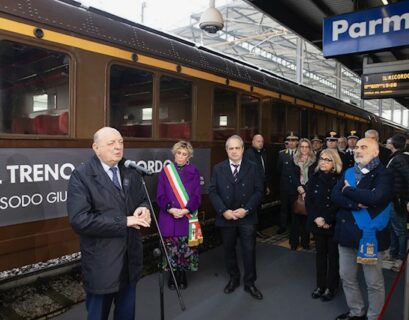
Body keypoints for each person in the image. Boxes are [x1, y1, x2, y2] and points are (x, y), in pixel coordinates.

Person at [67, 127, 151, 320]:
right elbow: (80, 220)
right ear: (96, 148)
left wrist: (143, 208)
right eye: (111, 143)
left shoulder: (130, 171)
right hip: (102, 265)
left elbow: (142, 199)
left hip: (130, 261)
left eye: (120, 142)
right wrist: (124, 221)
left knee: (126, 315)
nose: (118, 147)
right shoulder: (81, 176)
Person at [332, 138, 393, 320]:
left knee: (373, 282)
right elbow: (335, 195)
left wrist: (348, 191)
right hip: (346, 235)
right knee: (347, 277)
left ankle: (374, 316)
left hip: (370, 236)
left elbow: (376, 198)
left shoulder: (384, 174)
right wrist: (357, 204)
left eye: (363, 147)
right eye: (357, 147)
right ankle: (356, 312)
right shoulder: (349, 171)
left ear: (375, 152)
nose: (358, 150)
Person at [208, 135, 264, 300]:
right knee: (228, 250)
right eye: (230, 148)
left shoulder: (253, 167)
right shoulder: (218, 168)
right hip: (227, 217)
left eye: (237, 148)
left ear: (242, 149)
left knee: (249, 250)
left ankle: (250, 283)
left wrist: (247, 209)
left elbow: (259, 191)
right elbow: (212, 191)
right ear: (226, 150)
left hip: (246, 217)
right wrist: (223, 211)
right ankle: (233, 279)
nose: (234, 151)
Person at [156, 141, 201, 290]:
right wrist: (170, 209)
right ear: (174, 154)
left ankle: (182, 275)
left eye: (184, 154)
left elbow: (196, 196)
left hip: (186, 216)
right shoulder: (165, 171)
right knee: (170, 248)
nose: (181, 157)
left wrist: (186, 210)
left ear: (189, 156)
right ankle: (172, 275)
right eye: (178, 153)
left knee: (185, 248)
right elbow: (160, 195)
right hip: (169, 216)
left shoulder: (194, 172)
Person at [306, 149, 342, 302]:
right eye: (322, 159)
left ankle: (331, 287)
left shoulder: (339, 179)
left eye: (328, 160)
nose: (323, 162)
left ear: (334, 163)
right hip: (317, 223)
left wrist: (326, 219)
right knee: (320, 256)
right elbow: (309, 201)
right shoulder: (314, 177)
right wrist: (317, 218)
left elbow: (338, 203)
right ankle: (320, 285)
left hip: (332, 224)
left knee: (333, 257)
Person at [385, 134, 409, 272]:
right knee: (393, 229)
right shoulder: (396, 157)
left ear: (393, 145)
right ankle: (393, 254)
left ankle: (401, 259)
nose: (387, 143)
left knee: (400, 231)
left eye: (388, 141)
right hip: (393, 199)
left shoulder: (399, 159)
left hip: (399, 200)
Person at [290, 138, 316, 250]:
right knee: (295, 218)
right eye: (302, 146)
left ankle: (305, 243)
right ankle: (294, 243)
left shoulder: (314, 161)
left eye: (306, 147)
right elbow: (292, 175)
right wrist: (299, 187)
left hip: (309, 191)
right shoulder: (294, 160)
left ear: (309, 148)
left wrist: (306, 190)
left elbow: (314, 177)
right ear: (299, 148)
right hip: (295, 191)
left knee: (306, 217)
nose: (304, 149)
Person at [244, 134, 271, 238]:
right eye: (258, 141)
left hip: (261, 186)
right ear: (253, 142)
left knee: (259, 209)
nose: (260, 143)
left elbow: (265, 170)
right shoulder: (248, 154)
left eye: (262, 142)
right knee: (253, 209)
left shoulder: (263, 152)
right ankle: (253, 231)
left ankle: (257, 230)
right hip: (253, 187)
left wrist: (266, 185)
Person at [277, 132, 299, 234]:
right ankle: (283, 226)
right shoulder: (282, 154)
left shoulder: (300, 154)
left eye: (293, 141)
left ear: (297, 142)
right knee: (284, 208)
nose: (291, 143)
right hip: (284, 186)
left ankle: (294, 227)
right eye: (289, 141)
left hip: (296, 187)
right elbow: (279, 170)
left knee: (295, 207)